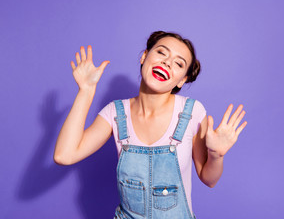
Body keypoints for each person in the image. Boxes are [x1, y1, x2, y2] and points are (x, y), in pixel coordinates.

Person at [54, 31, 248, 218]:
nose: (166, 62)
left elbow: (209, 179)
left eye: (179, 63)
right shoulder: (115, 112)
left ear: (182, 80)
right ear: (144, 57)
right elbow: (65, 155)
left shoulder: (192, 112)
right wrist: (86, 91)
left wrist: (216, 155)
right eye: (161, 52)